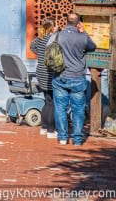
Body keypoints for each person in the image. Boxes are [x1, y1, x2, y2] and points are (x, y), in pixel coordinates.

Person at [50, 12, 96, 146]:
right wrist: (84, 32)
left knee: (60, 108)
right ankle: (77, 140)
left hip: (60, 77)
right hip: (78, 77)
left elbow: (48, 47)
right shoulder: (82, 37)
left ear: (66, 22)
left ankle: (63, 138)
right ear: (79, 23)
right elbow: (93, 47)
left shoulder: (58, 35)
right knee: (78, 109)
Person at [30, 18, 57, 139]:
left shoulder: (40, 38)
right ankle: (50, 130)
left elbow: (32, 47)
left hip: (40, 70)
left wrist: (40, 54)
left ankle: (44, 127)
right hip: (49, 72)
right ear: (51, 27)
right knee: (51, 102)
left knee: (47, 100)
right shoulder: (51, 39)